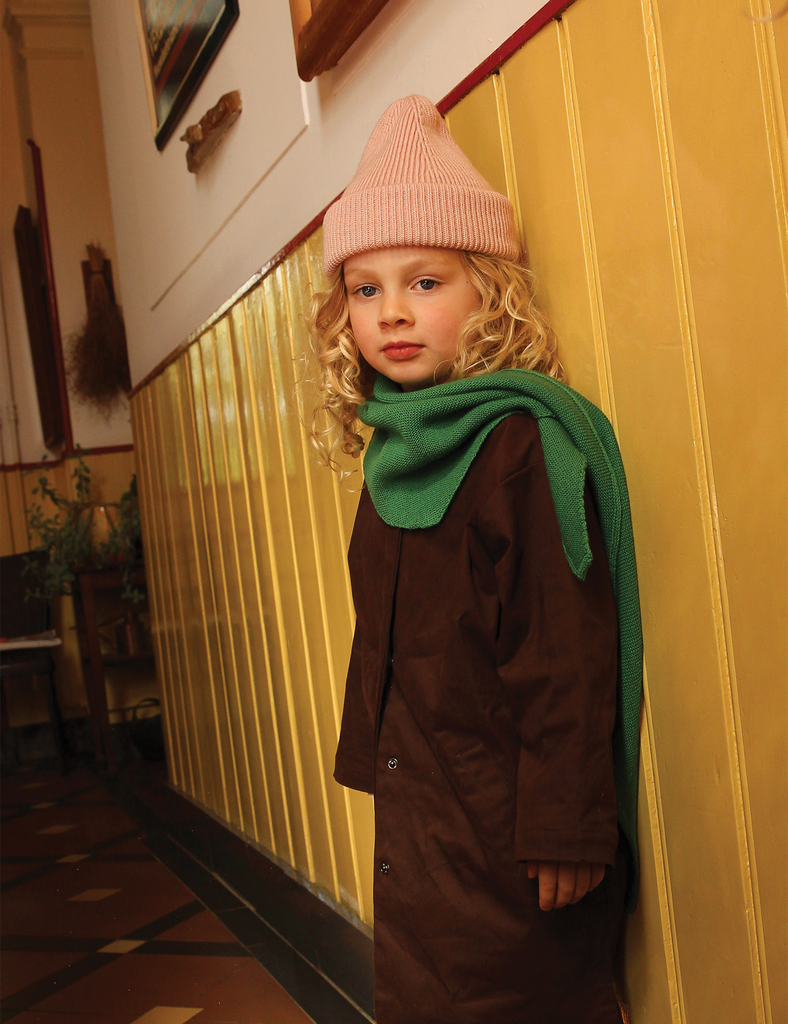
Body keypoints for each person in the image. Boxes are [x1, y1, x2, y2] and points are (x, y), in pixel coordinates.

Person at [309, 95, 642, 1024]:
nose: (392, 313)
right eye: (366, 289)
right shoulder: (395, 452)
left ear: (487, 291)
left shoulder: (518, 449)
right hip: (423, 813)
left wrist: (569, 824)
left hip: (509, 827)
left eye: (426, 282)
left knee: (514, 999)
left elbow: (565, 649)